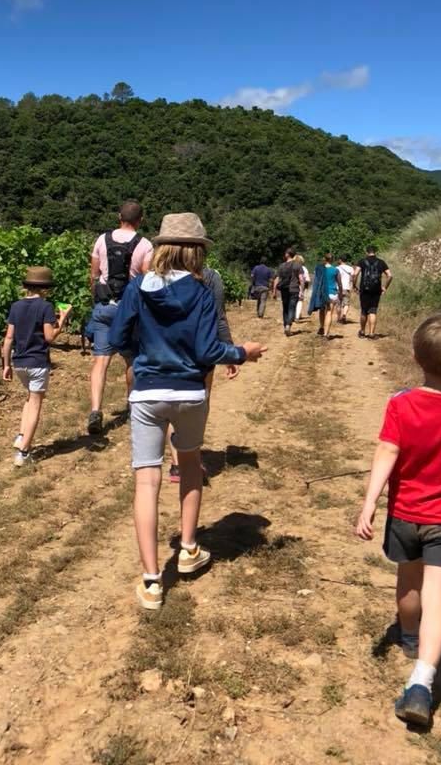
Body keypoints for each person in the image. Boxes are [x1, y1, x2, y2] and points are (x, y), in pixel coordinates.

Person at [108, 213, 266, 610]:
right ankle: (190, 548)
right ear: (196, 252)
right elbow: (208, 352)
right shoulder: (201, 291)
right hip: (190, 393)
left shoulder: (136, 288)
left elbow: (116, 337)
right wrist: (242, 354)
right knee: (190, 464)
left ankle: (151, 581)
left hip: (146, 395)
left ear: (161, 247)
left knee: (147, 481)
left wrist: (140, 359)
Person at [356, 314, 441, 726]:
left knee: (408, 583)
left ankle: (411, 637)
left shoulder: (401, 403)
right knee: (439, 596)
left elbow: (387, 453)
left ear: (417, 356)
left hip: (405, 515)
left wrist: (369, 505)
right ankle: (422, 681)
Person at [86, 200, 153, 434]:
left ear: (118, 217)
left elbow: (93, 275)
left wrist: (97, 298)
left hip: (104, 305)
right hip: (129, 309)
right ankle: (133, 405)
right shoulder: (145, 244)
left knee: (100, 361)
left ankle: (95, 409)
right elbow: (145, 278)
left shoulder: (101, 240)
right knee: (131, 359)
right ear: (140, 220)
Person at [167, 264, 238, 484]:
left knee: (171, 400)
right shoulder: (211, 276)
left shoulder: (160, 275)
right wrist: (229, 351)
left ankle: (178, 463)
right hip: (203, 349)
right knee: (201, 398)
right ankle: (191, 456)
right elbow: (219, 317)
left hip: (169, 347)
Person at [2, 267, 71, 467]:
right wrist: (63, 318)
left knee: (29, 398)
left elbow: (8, 338)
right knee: (35, 405)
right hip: (38, 362)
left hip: (19, 363)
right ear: (46, 288)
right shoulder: (45, 307)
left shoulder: (15, 306)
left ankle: (21, 435)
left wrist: (6, 364)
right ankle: (24, 453)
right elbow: (49, 337)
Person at [353, 245, 392, 339]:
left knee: (364, 311)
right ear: (375, 252)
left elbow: (355, 274)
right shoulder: (381, 262)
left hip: (364, 289)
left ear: (367, 252)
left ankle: (362, 332)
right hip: (376, 290)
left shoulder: (362, 261)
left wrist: (354, 286)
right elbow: (390, 276)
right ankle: (371, 334)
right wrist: (385, 287)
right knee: (373, 311)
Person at [271, 247, 304, 337]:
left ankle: (286, 325)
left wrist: (274, 291)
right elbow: (301, 279)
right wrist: (302, 291)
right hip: (294, 290)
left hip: (284, 290)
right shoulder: (298, 265)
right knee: (292, 308)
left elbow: (277, 279)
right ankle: (288, 325)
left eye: (285, 253)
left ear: (288, 254)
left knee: (285, 308)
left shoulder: (282, 266)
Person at [318, 252, 342, 339]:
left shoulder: (320, 269)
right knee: (329, 312)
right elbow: (339, 284)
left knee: (321, 310)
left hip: (321, 293)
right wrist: (340, 294)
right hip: (332, 293)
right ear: (332, 260)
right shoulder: (335, 270)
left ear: (325, 259)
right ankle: (326, 334)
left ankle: (321, 327)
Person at [336, 257, 354, 324]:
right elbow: (352, 278)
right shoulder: (350, 268)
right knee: (346, 303)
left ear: (340, 260)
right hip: (347, 288)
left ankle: (338, 318)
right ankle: (344, 314)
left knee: (338, 304)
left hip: (338, 288)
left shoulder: (337, 268)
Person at [294, 255, 310, 322]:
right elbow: (307, 279)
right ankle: (297, 316)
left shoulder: (291, 266)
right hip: (300, 286)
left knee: (293, 301)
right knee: (300, 300)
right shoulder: (304, 268)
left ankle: (292, 315)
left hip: (291, 286)